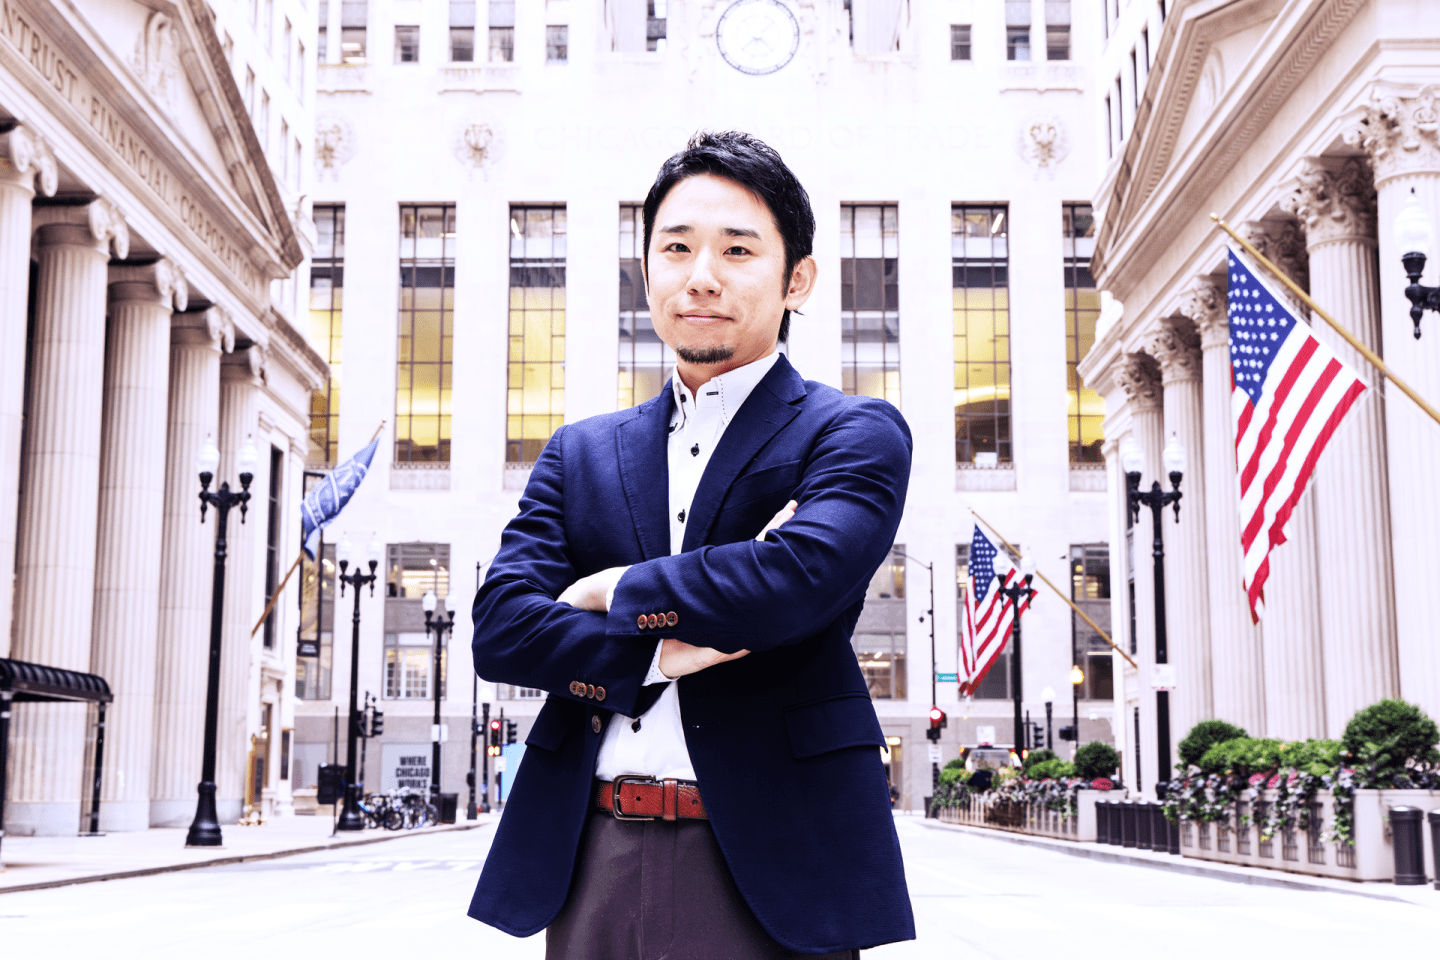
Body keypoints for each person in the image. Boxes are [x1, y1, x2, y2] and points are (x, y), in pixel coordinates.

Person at [468, 131, 916, 958]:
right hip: (590, 852)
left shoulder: (851, 432)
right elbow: (500, 630)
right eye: (676, 248)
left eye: (738, 250)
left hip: (773, 865)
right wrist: (655, 658)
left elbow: (794, 581)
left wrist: (611, 588)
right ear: (648, 273)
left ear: (797, 279)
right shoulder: (581, 452)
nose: (701, 275)